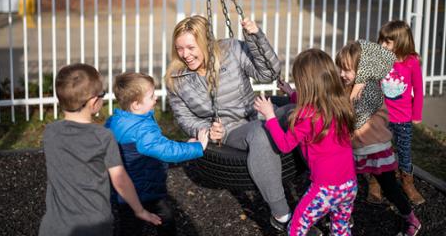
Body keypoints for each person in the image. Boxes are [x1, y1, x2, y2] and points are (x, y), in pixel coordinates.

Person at [165, 15, 293, 230]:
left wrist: (255, 38)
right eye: (180, 49)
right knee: (260, 133)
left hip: (258, 112)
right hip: (231, 130)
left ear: (206, 43)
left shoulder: (231, 50)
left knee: (299, 112)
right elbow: (184, 118)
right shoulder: (176, 79)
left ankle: (331, 187)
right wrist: (205, 130)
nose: (185, 55)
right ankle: (282, 214)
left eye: (190, 47)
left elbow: (268, 73)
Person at [39, 64, 161, 236]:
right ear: (94, 102)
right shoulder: (102, 137)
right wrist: (139, 210)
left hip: (54, 226)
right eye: (102, 94)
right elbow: (120, 180)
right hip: (93, 225)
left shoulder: (50, 132)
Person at [255, 49, 357, 236]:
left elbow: (284, 145)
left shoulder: (305, 116)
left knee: (296, 228)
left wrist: (269, 116)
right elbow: (316, 101)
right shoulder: (340, 104)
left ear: (306, 84)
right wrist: (292, 94)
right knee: (341, 227)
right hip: (349, 185)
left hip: (325, 190)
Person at [105, 72, 209, 236]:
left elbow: (158, 144)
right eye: (151, 96)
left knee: (128, 228)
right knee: (165, 221)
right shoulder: (142, 129)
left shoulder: (114, 121)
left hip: (124, 193)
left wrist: (183, 144)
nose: (155, 98)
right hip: (146, 191)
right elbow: (166, 150)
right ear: (136, 105)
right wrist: (197, 148)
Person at [336, 40, 421, 236]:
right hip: (355, 150)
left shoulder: (371, 88)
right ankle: (342, 221)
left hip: (377, 150)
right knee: (345, 188)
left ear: (362, 70)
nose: (341, 74)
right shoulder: (346, 88)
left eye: (346, 70)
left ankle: (411, 219)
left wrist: (358, 85)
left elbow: (355, 121)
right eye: (340, 68)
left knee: (390, 188)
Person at [378, 20, 425, 205]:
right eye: (381, 40)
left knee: (404, 152)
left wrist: (417, 114)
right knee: (381, 151)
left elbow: (419, 90)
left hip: (403, 119)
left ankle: (407, 183)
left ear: (401, 42)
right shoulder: (381, 60)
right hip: (382, 117)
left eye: (387, 42)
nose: (382, 45)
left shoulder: (411, 62)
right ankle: (377, 182)